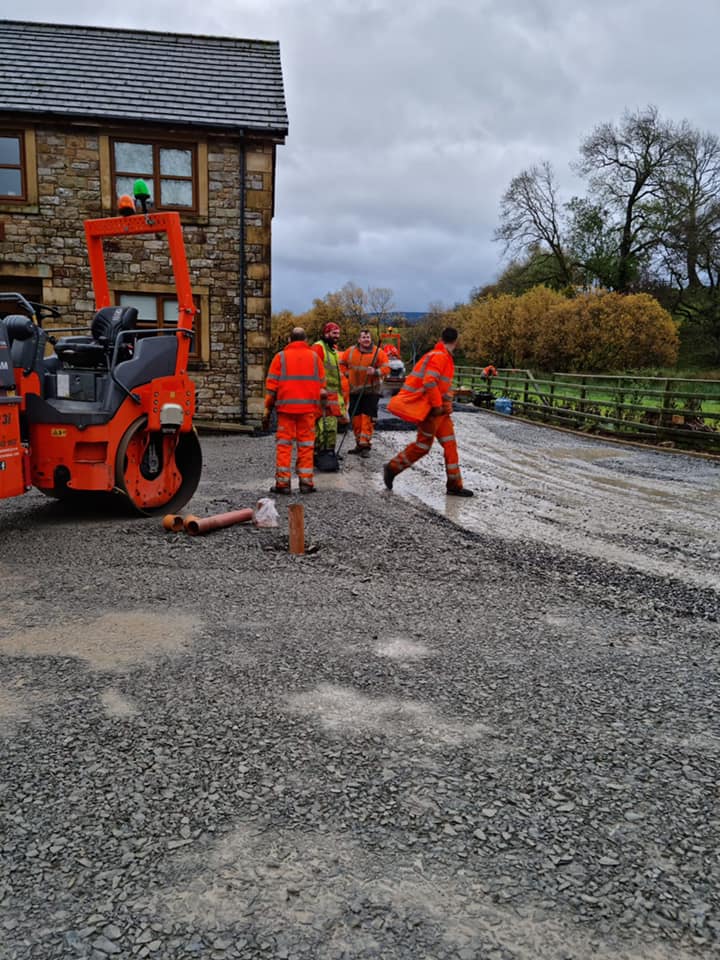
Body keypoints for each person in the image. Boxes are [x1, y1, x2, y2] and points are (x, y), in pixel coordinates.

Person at [382, 326, 473, 497]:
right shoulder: (440, 357)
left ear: (441, 338)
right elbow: (429, 382)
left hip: (440, 412)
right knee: (423, 446)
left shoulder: (441, 356)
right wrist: (438, 405)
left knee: (449, 445)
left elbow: (441, 385)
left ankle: (455, 485)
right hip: (432, 411)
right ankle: (392, 468)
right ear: (457, 341)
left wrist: (446, 404)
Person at [262, 327, 326, 494]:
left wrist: (267, 410)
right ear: (305, 340)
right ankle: (306, 483)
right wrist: (321, 410)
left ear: (289, 340)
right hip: (308, 411)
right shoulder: (314, 358)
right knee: (306, 446)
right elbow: (322, 388)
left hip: (285, 411)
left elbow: (271, 389)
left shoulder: (280, 358)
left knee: (284, 446)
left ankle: (283, 484)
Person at [339, 329, 390, 457]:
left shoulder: (378, 353)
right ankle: (358, 443)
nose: (366, 339)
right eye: (363, 337)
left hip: (371, 392)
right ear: (359, 340)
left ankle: (365, 445)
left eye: (368, 337)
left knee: (367, 419)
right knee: (356, 419)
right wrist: (347, 375)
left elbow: (386, 368)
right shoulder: (350, 352)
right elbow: (341, 364)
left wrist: (376, 372)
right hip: (355, 391)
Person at [311, 322, 348, 457]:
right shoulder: (318, 348)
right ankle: (321, 452)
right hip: (322, 394)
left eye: (338, 333)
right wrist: (320, 389)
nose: (337, 336)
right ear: (326, 333)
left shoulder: (332, 350)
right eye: (334, 333)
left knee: (330, 425)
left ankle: (327, 452)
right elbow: (313, 370)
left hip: (332, 395)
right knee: (322, 425)